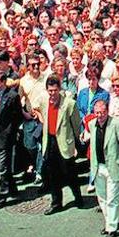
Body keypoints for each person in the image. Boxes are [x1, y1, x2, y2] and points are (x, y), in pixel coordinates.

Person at [35, 74, 82, 214]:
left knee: (70, 173)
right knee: (52, 174)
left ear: (59, 89)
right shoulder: (43, 100)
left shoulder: (69, 103)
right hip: (49, 141)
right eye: (50, 90)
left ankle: (78, 197)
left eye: (55, 90)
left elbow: (76, 125)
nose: (52, 93)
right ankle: (56, 203)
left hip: (64, 142)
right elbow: (34, 107)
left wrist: (74, 144)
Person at [88, 98, 119, 237]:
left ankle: (112, 228)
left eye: (102, 112)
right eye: (97, 113)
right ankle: (109, 223)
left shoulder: (118, 125)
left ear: (107, 111)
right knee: (102, 198)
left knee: (112, 198)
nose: (100, 115)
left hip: (113, 166)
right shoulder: (91, 124)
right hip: (98, 167)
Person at [0, 70, 21, 210]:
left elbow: (17, 117)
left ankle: (2, 195)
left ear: (3, 82)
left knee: (2, 168)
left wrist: (11, 133)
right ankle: (12, 187)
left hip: (5, 136)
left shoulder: (12, 96)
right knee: (3, 166)